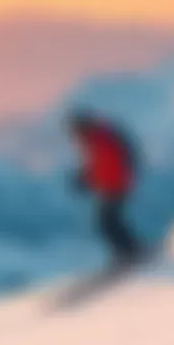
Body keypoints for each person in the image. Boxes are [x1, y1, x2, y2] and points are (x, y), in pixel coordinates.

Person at [69, 112, 142, 267]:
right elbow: (98, 166)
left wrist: (86, 179)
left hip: (115, 186)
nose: (75, 138)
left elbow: (105, 165)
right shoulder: (97, 139)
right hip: (114, 185)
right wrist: (85, 178)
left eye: (75, 132)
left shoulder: (99, 140)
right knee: (110, 221)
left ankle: (129, 253)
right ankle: (129, 251)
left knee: (107, 222)